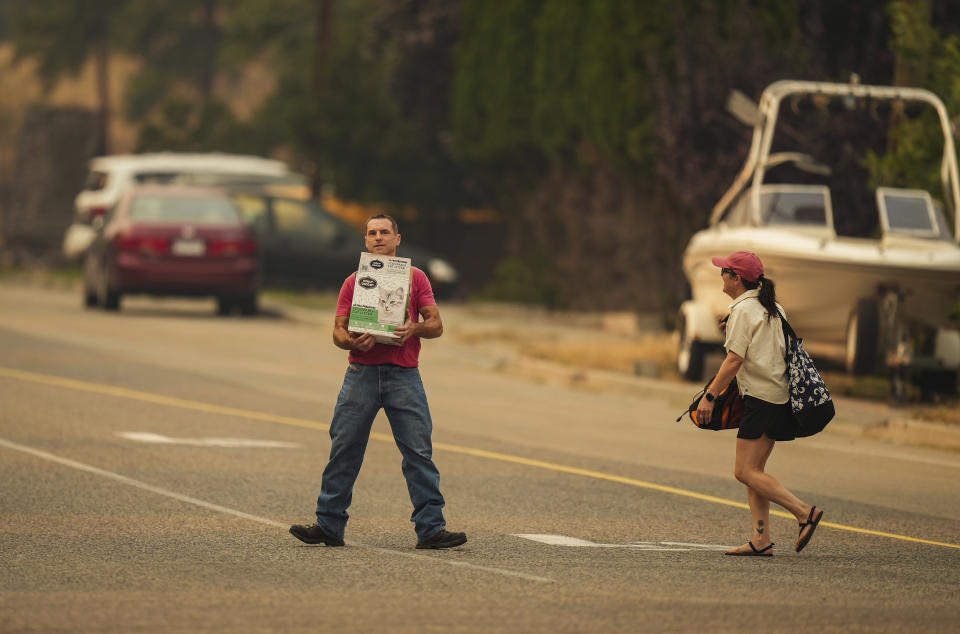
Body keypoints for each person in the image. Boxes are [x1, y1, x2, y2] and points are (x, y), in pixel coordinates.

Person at [290, 214, 467, 550]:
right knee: (344, 450)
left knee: (418, 451)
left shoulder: (416, 278)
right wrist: (351, 342)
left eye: (385, 232)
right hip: (361, 374)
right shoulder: (353, 282)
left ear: (397, 239)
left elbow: (437, 325)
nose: (378, 237)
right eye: (372, 233)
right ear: (366, 241)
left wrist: (414, 327)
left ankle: (431, 529)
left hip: (404, 375)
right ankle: (329, 524)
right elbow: (338, 330)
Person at [697, 251, 823, 556]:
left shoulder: (743, 311)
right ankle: (761, 538)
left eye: (724, 271)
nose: (721, 276)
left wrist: (710, 396)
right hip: (777, 397)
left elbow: (734, 360)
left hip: (763, 399)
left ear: (737, 278)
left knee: (744, 471)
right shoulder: (772, 307)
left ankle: (804, 512)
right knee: (756, 471)